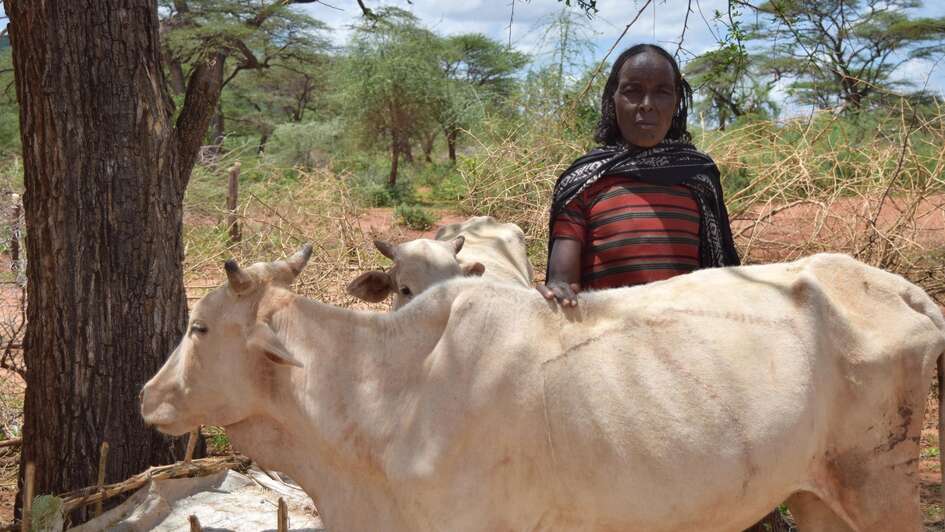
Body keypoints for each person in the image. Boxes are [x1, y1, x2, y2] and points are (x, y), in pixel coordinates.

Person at [537, 43, 790, 532]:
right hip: (610, 364)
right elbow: (563, 275)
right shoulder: (583, 182)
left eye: (661, 93)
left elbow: (718, 274)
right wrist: (559, 289)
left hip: (690, 360)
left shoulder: (697, 177)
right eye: (632, 92)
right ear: (613, 100)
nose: (646, 106)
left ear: (678, 102)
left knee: (725, 487)